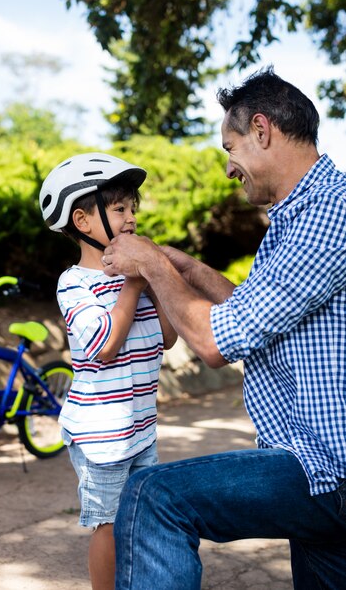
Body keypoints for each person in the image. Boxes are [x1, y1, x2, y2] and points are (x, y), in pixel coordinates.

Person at [102, 67, 346, 590]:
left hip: (326, 469)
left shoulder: (330, 212)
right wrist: (189, 271)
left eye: (229, 148)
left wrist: (153, 266)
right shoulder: (299, 218)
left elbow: (217, 342)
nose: (229, 167)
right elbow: (260, 317)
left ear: (262, 130)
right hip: (318, 462)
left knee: (153, 496)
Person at [39, 152, 177, 590]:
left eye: (133, 207)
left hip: (139, 427)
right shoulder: (74, 283)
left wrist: (157, 277)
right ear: (82, 220)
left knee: (140, 519)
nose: (131, 217)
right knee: (110, 525)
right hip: (101, 433)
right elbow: (102, 345)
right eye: (119, 208)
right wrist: (134, 285)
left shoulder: (137, 278)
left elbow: (169, 337)